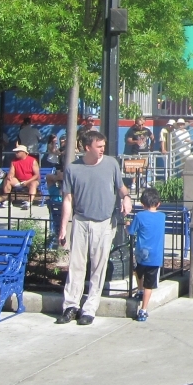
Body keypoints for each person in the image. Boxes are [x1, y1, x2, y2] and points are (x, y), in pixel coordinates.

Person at [56, 130, 131, 326]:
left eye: (103, 146)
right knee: (76, 265)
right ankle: (70, 306)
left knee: (98, 266)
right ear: (87, 147)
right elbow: (67, 200)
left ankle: (89, 308)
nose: (102, 149)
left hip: (103, 222)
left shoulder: (111, 164)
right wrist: (63, 227)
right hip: (81, 220)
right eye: (99, 146)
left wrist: (126, 197)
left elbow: (121, 187)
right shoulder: (73, 169)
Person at [128, 187, 166, 322]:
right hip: (155, 256)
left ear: (142, 203)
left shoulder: (139, 216)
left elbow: (131, 231)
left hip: (141, 253)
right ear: (158, 203)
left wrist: (127, 224)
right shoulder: (162, 217)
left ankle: (139, 290)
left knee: (138, 271)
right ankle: (143, 310)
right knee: (149, 284)